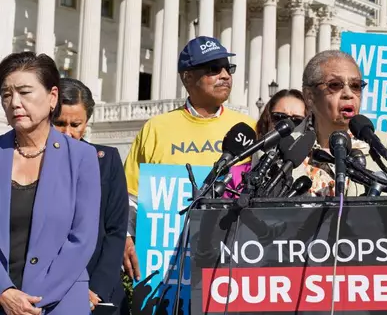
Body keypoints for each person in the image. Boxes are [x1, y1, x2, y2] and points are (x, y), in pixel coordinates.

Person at [121, 36, 255, 286]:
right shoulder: (156, 128)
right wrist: (127, 238)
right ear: (187, 77)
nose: (225, 75)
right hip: (166, 265)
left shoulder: (249, 128)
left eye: (228, 68)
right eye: (214, 69)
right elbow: (130, 197)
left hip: (232, 258)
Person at [0, 52, 100, 314]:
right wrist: (4, 291)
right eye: (6, 94)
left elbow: (82, 239)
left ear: (52, 97)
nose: (14, 103)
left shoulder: (82, 157)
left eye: (24, 92)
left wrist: (32, 301)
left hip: (60, 302)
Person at [52, 78, 128, 312]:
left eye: (76, 124)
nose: (67, 133)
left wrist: (96, 289)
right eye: (59, 123)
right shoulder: (32, 162)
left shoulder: (107, 160)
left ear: (87, 123)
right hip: (49, 287)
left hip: (99, 290)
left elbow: (116, 230)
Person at [294, 50, 387, 196]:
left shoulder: (382, 143)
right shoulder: (279, 148)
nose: (348, 94)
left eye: (355, 85)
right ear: (310, 96)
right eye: (335, 85)